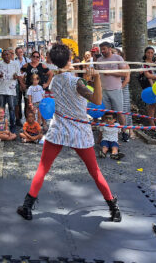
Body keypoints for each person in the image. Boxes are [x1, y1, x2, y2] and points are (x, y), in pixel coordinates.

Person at [17, 44, 121, 223]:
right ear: (69, 59)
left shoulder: (56, 79)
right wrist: (95, 77)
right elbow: (96, 100)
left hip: (60, 130)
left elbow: (74, 90)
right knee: (95, 171)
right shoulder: (75, 82)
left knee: (43, 168)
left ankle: (27, 207)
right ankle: (113, 208)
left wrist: (86, 75)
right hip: (78, 132)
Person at [96, 42, 128, 142]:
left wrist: (110, 72)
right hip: (104, 90)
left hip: (116, 90)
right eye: (101, 49)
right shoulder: (99, 60)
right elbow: (97, 74)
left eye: (104, 49)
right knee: (106, 113)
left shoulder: (118, 58)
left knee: (119, 112)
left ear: (110, 49)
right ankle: (105, 134)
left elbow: (124, 73)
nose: (103, 51)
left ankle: (124, 132)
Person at [0, 49, 21, 133]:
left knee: (12, 108)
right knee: (1, 108)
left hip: (11, 90)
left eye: (7, 54)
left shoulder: (15, 64)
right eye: (4, 55)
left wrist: (16, 77)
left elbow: (19, 75)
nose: (6, 56)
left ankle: (12, 126)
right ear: (2, 56)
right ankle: (0, 126)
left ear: (10, 55)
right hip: (1, 90)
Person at [22, 51, 53, 118]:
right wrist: (22, 84)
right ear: (31, 57)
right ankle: (29, 123)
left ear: (39, 58)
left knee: (41, 106)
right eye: (34, 56)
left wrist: (47, 84)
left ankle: (42, 123)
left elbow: (51, 74)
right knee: (29, 106)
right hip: (29, 88)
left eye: (37, 57)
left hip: (39, 89)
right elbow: (19, 74)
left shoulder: (42, 65)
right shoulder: (27, 65)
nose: (35, 58)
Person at [141, 47, 156, 127]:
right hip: (150, 86)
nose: (150, 54)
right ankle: (151, 123)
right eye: (148, 52)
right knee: (152, 104)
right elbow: (148, 75)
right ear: (145, 53)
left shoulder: (155, 63)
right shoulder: (144, 64)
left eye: (152, 52)